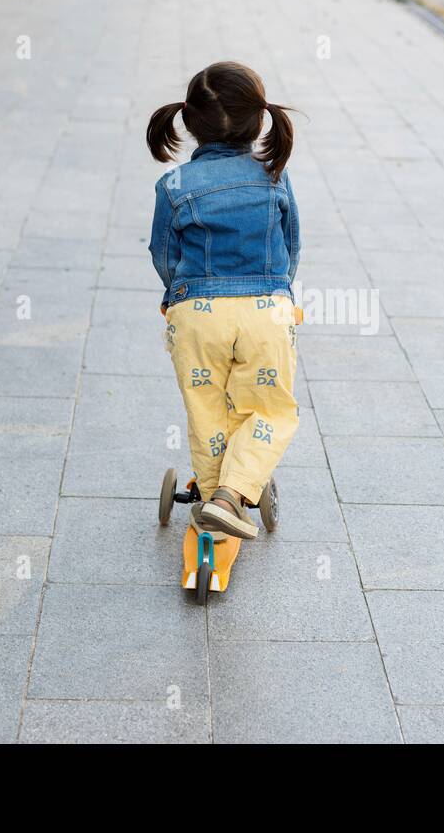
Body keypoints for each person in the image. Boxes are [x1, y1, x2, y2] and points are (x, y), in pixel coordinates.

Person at [146, 62, 301, 541]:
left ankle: (213, 494)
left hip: (197, 317)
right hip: (264, 314)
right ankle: (231, 496)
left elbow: (164, 253)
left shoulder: (173, 186)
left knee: (206, 409)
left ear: (188, 123)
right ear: (260, 121)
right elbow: (290, 244)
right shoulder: (272, 176)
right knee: (269, 409)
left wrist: (177, 297)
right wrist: (280, 290)